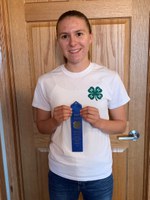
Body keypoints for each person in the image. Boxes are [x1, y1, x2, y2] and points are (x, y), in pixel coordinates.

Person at [32, 10, 130, 200]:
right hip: (60, 173)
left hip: (99, 174)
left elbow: (121, 124)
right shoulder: (46, 82)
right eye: (64, 36)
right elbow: (41, 126)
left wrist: (99, 122)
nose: (73, 42)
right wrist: (54, 120)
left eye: (79, 34)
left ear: (90, 37)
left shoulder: (109, 78)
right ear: (58, 41)